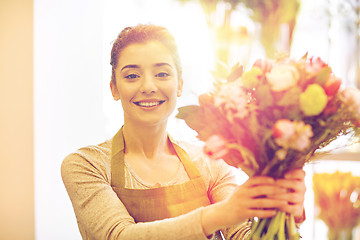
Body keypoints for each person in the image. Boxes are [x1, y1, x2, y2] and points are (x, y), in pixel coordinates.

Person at [61, 24, 306, 240]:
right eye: (132, 75)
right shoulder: (86, 165)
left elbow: (243, 237)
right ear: (114, 88)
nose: (148, 86)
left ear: (179, 85)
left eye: (162, 74)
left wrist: (284, 215)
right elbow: (119, 236)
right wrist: (221, 213)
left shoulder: (210, 163)